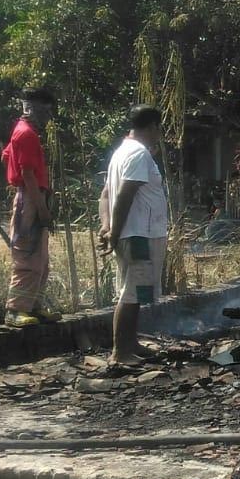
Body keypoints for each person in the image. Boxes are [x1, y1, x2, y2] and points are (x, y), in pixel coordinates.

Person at [99, 105, 170, 364]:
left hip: (133, 233)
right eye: (158, 129)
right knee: (131, 294)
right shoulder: (139, 153)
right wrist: (114, 232)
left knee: (136, 291)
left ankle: (131, 343)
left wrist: (107, 227)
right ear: (152, 126)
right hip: (141, 235)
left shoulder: (120, 153)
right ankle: (121, 353)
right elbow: (125, 194)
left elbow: (105, 195)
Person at [1, 86, 60, 327]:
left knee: (41, 258)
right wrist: (43, 209)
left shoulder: (22, 131)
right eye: (45, 111)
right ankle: (15, 310)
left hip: (34, 196)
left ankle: (34, 305)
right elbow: (27, 174)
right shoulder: (26, 134)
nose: (48, 117)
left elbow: (6, 156)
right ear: (34, 108)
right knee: (27, 254)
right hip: (30, 199)